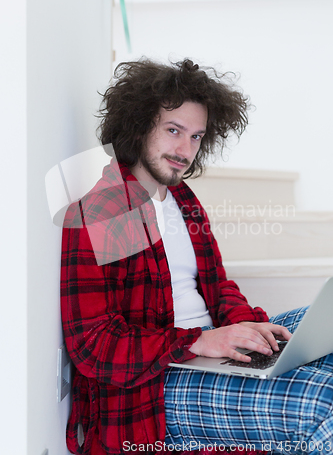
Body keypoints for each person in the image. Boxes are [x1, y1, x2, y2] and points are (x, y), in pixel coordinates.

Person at [61, 59, 333, 455]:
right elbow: (94, 346)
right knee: (322, 404)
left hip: (208, 350)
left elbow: (218, 285)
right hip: (155, 387)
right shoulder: (107, 211)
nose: (185, 150)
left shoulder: (182, 199)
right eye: (174, 131)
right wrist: (201, 342)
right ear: (138, 126)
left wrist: (243, 325)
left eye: (196, 137)